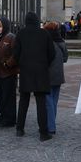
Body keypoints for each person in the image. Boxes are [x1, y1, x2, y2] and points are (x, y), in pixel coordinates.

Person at [13, 12, 55, 141]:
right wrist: (44, 63)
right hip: (41, 71)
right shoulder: (44, 34)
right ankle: (43, 132)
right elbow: (52, 53)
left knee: (23, 101)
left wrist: (22, 62)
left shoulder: (21, 33)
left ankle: (20, 129)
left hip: (26, 70)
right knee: (41, 102)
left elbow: (15, 54)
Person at [0, 17, 19, 128]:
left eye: (0, 26)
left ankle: (9, 119)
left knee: (8, 98)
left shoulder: (11, 38)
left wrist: (8, 64)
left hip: (8, 73)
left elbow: (16, 54)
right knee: (0, 97)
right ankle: (3, 116)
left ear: (5, 26)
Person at [44, 22, 68, 136]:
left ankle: (51, 127)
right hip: (59, 74)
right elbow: (65, 58)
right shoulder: (61, 42)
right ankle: (51, 123)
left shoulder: (47, 43)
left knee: (48, 101)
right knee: (54, 100)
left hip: (48, 74)